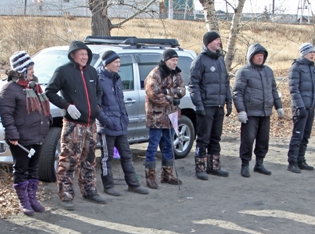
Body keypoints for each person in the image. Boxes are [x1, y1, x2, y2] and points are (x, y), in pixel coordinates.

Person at [46, 41, 105, 210]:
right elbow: (50, 92)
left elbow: (99, 92)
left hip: (91, 124)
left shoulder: (92, 72)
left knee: (90, 160)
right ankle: (66, 195)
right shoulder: (63, 71)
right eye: (81, 54)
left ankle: (90, 190)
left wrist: (97, 106)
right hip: (73, 125)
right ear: (73, 55)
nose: (84, 57)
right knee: (69, 160)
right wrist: (67, 105)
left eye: (86, 54)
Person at [0, 51, 53, 214]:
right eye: (30, 68)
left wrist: (48, 120)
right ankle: (24, 201)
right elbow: (6, 115)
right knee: (21, 168)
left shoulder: (35, 87)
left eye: (32, 68)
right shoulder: (10, 89)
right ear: (21, 69)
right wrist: (12, 134)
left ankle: (32, 199)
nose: (32, 71)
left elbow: (42, 109)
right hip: (21, 139)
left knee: (34, 168)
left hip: (37, 136)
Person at [96, 50, 150, 195]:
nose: (119, 65)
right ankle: (108, 186)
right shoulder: (99, 79)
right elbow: (96, 106)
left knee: (126, 155)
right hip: (107, 127)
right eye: (116, 62)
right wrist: (107, 121)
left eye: (119, 62)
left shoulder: (117, 78)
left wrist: (124, 119)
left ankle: (133, 184)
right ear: (107, 64)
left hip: (120, 125)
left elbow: (120, 102)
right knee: (107, 158)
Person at [232, 43, 283, 177]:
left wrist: (279, 106)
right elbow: (237, 92)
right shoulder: (243, 72)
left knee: (263, 139)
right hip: (250, 113)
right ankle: (245, 165)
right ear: (251, 56)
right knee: (248, 140)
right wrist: (241, 110)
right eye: (257, 55)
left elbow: (273, 90)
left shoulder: (268, 71)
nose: (260, 58)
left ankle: (259, 163)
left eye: (262, 56)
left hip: (265, 112)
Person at [189, 31, 232, 180]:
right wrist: (199, 105)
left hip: (219, 105)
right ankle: (200, 168)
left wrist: (228, 101)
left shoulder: (220, 59)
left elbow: (226, 82)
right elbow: (193, 84)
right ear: (209, 43)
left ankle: (214, 166)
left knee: (216, 137)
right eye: (217, 40)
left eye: (220, 40)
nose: (219, 42)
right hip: (206, 106)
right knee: (203, 138)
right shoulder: (200, 60)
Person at [143, 49, 185, 188]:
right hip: (156, 116)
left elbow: (182, 90)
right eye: (173, 60)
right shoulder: (155, 74)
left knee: (168, 145)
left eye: (176, 60)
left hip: (171, 116)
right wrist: (171, 98)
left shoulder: (176, 73)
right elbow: (153, 95)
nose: (175, 63)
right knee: (153, 146)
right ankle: (150, 177)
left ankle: (167, 175)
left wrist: (166, 91)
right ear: (166, 60)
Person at [286, 42, 315, 173]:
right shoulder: (296, 67)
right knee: (298, 135)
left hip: (310, 106)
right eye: (311, 52)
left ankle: (301, 159)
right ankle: (292, 162)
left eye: (313, 52)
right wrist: (299, 106)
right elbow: (293, 89)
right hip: (300, 107)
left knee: (306, 135)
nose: (313, 54)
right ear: (304, 53)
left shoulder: (312, 67)